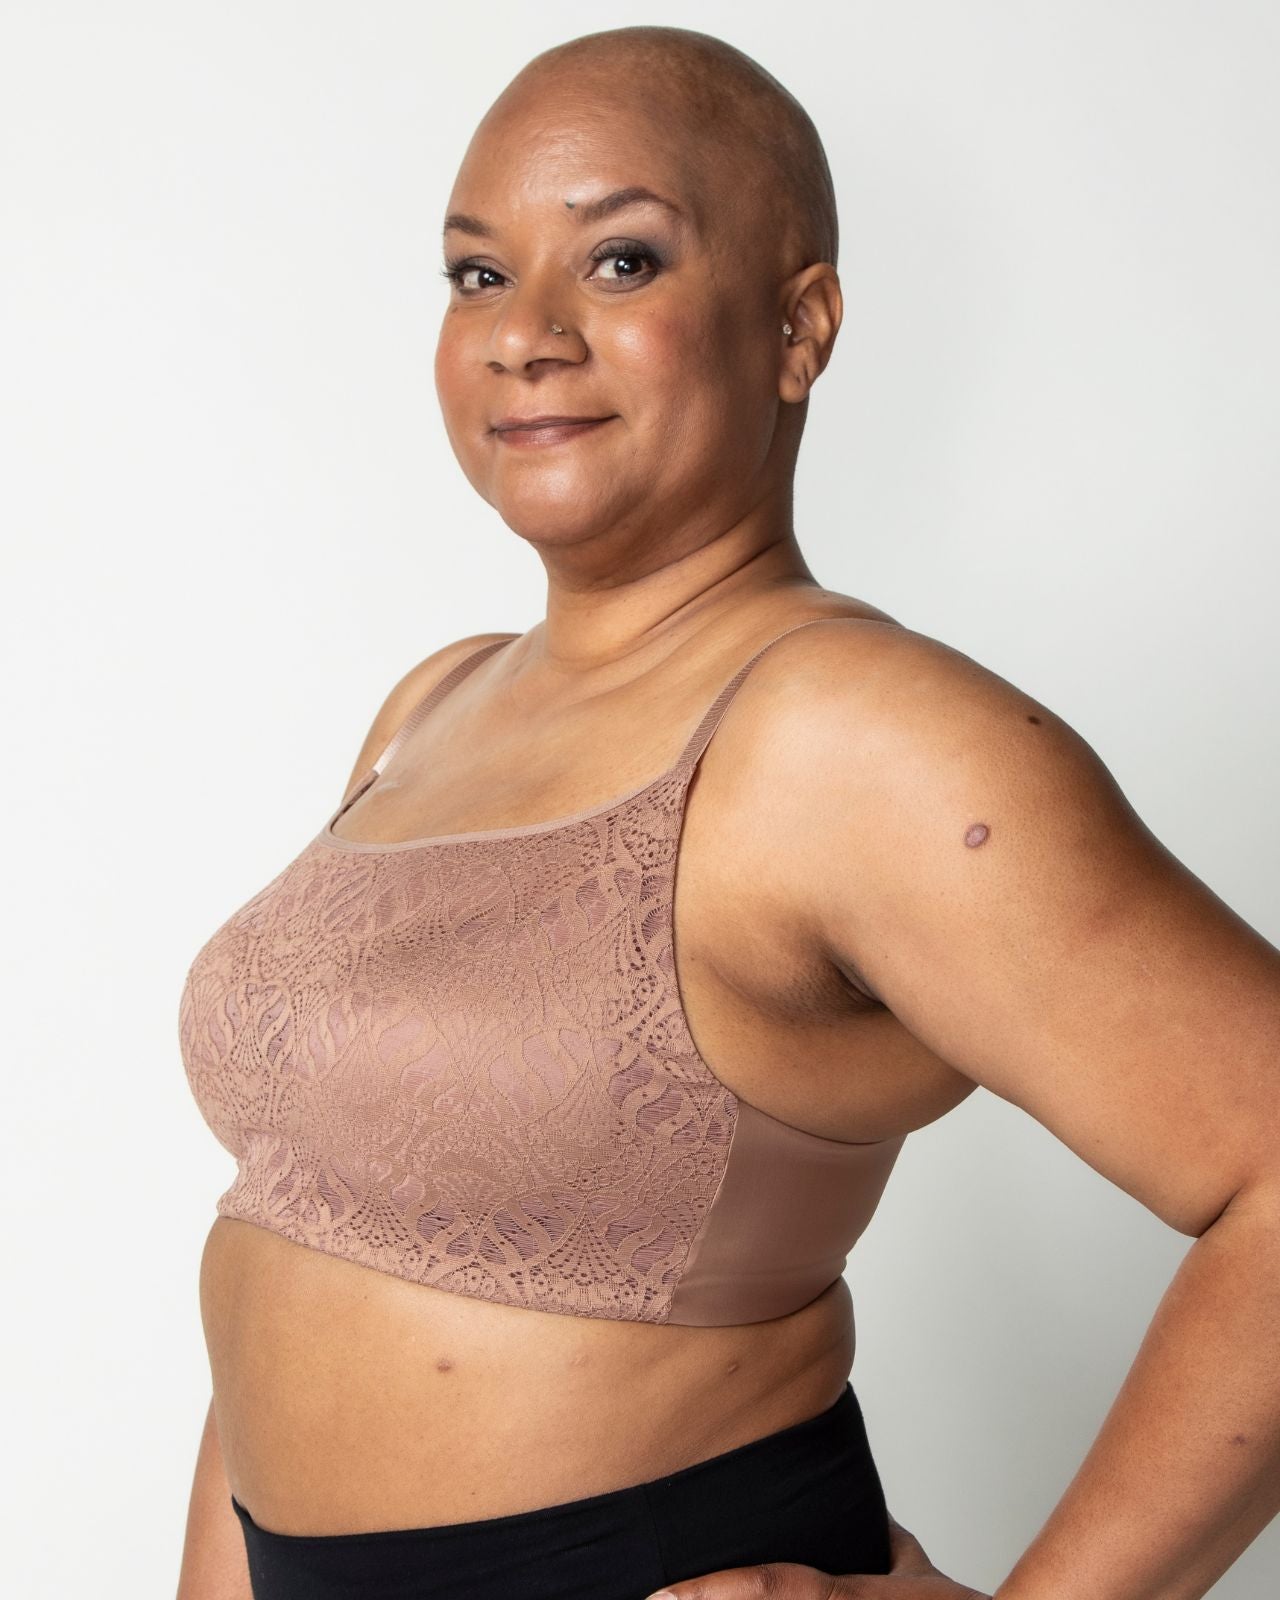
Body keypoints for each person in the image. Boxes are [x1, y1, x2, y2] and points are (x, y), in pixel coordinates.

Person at [175, 24, 1280, 1600]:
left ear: (797, 324)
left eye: (620, 260)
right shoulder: (435, 702)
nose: (525, 334)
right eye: (478, 275)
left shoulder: (858, 738)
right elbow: (294, 1241)